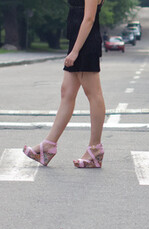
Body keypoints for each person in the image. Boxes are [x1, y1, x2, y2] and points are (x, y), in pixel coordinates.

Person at [23, 0, 106, 168]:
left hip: (85, 44)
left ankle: (95, 149)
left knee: (93, 94)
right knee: (66, 92)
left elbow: (89, 18)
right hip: (76, 41)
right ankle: (49, 145)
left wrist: (75, 52)